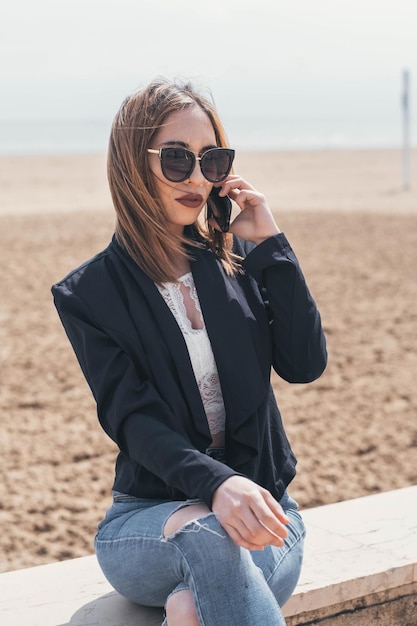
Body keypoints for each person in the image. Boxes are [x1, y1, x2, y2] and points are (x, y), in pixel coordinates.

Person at [52, 78, 327, 626]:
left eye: (213, 160)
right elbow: (132, 419)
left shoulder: (239, 262)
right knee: (206, 534)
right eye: (177, 159)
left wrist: (270, 245)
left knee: (189, 609)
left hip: (268, 518)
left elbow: (304, 363)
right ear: (133, 164)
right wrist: (217, 485)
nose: (198, 178)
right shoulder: (88, 295)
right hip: (149, 524)